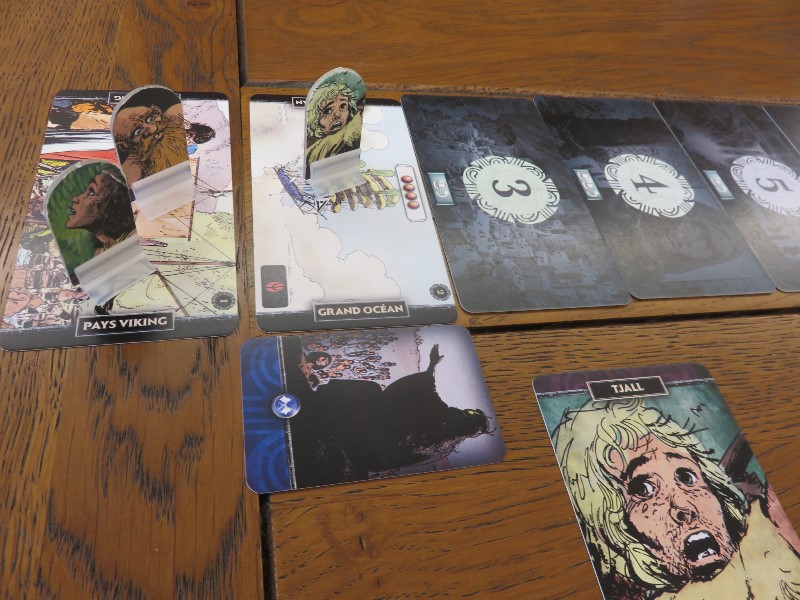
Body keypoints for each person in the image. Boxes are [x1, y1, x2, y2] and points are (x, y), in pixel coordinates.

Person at [553, 398, 800, 599]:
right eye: (644, 490)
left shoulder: (773, 535)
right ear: (609, 530)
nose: (682, 506)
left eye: (687, 477)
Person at [282, 338, 490, 487]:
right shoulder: (443, 447)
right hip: (369, 455)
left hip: (363, 437)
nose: (464, 411)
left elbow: (427, 393)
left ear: (466, 421)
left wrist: (432, 366)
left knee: (369, 390)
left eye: (469, 413)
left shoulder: (443, 422)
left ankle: (317, 400)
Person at [113, 88, 187, 184]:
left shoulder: (177, 118)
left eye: (150, 118)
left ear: (157, 112)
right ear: (125, 146)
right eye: (137, 131)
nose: (153, 129)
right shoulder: (132, 174)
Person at [66, 166, 135, 257]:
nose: (75, 199)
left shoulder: (134, 238)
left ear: (111, 204)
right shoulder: (99, 254)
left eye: (91, 192)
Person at [304, 81, 363, 176]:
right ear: (314, 119)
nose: (337, 114)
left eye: (343, 106)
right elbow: (349, 134)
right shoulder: (313, 150)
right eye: (328, 111)